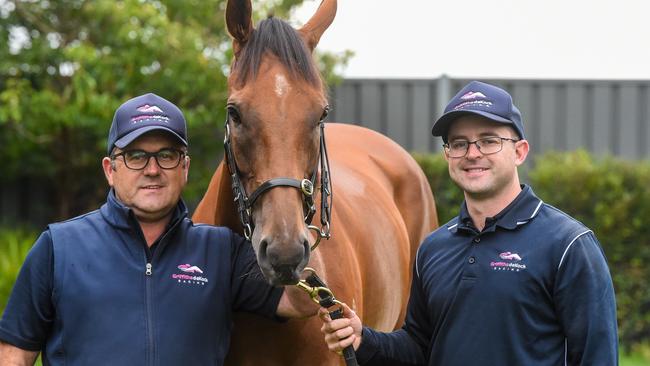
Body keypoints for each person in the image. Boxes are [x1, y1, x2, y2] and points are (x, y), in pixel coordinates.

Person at [0, 93, 315, 365]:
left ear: (185, 168)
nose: (152, 169)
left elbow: (301, 301)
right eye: (136, 156)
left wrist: (293, 205)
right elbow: (14, 354)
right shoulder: (58, 247)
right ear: (110, 170)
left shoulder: (221, 252)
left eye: (166, 155)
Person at [319, 81, 619, 365]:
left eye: (488, 141)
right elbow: (419, 347)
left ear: (519, 151)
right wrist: (363, 339)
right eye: (459, 143)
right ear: (448, 154)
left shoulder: (568, 246)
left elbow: (597, 356)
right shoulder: (434, 248)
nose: (472, 153)